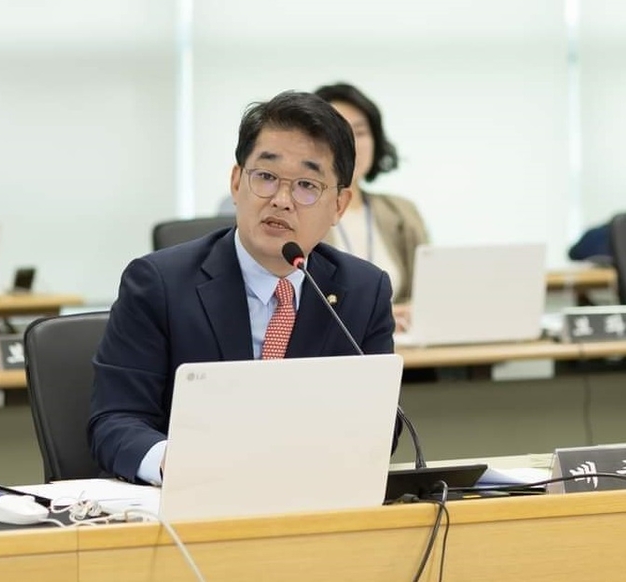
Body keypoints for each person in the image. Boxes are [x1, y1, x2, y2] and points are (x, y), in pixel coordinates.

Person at [89, 90, 401, 484]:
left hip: (307, 494)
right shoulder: (158, 283)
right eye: (266, 177)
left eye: (307, 184)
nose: (282, 200)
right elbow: (115, 421)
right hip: (191, 499)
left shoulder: (364, 291)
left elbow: (379, 425)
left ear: (338, 205)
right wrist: (181, 465)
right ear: (237, 183)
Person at [314, 83, 428, 332]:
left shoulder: (402, 212)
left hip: (403, 348)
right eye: (338, 131)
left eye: (360, 132)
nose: (351, 143)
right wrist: (379, 316)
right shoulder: (297, 212)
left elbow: (429, 293)